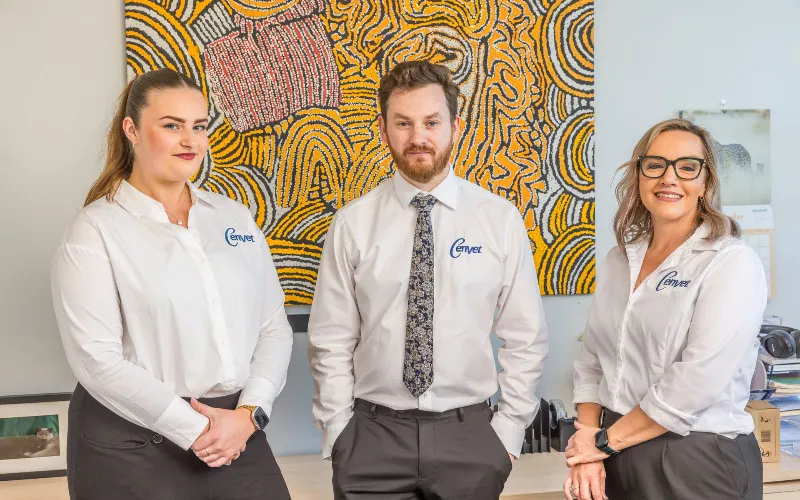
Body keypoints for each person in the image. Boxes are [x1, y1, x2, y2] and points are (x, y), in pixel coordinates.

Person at [307, 60, 549, 499]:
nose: (418, 137)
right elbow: (330, 338)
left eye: (431, 122)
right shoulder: (353, 223)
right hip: (371, 439)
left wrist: (508, 433)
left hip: (470, 438)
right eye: (404, 123)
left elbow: (525, 337)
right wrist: (339, 431)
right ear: (383, 128)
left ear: (455, 125)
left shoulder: (498, 220)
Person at [50, 68, 293, 500]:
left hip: (237, 433)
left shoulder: (234, 219)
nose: (190, 140)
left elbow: (273, 328)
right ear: (132, 130)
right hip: (131, 442)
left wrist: (250, 414)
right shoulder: (95, 230)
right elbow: (97, 361)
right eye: (171, 126)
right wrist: (198, 429)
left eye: (199, 127)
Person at [564, 118, 766, 500]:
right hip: (615, 452)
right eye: (655, 165)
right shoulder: (617, 260)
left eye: (687, 167)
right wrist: (588, 439)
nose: (669, 178)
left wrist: (602, 443)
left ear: (706, 182)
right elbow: (591, 360)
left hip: (695, 459)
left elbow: (695, 382)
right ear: (639, 176)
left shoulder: (731, 263)